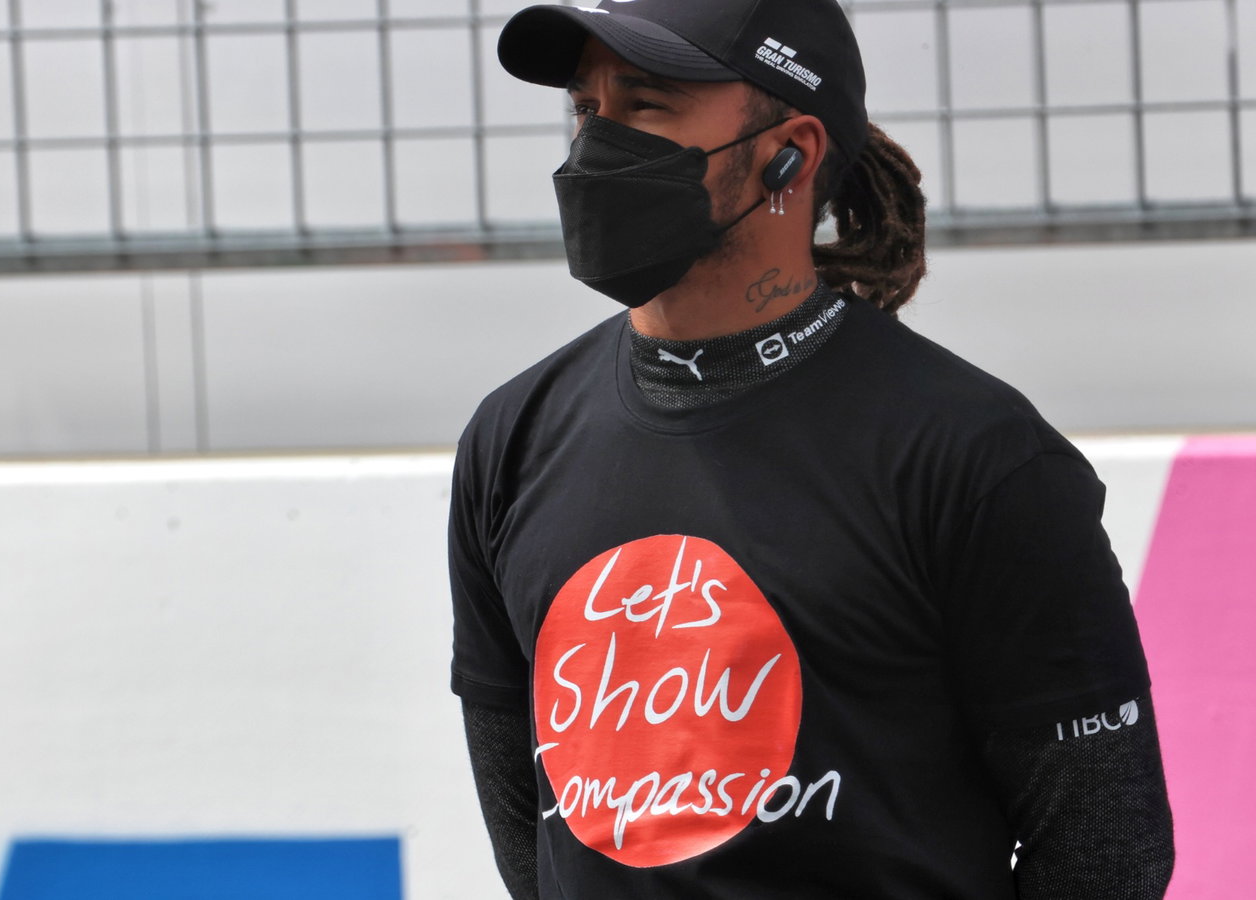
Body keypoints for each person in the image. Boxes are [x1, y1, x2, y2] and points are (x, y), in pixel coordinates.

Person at [446, 1, 1174, 898]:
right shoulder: (510, 439)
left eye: (646, 106)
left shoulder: (975, 457)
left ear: (788, 152)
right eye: (587, 109)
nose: (597, 146)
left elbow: (1107, 851)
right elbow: (527, 828)